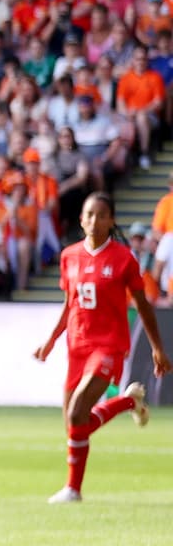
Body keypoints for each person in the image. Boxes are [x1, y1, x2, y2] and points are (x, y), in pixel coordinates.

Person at [33, 192, 170, 503]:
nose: (94, 220)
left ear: (111, 221)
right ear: (81, 219)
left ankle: (72, 490)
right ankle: (128, 402)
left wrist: (157, 347)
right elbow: (69, 304)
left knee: (78, 411)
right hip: (77, 346)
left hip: (108, 345)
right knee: (74, 423)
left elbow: (143, 305)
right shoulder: (69, 256)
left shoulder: (123, 258)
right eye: (89, 214)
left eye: (101, 215)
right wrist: (51, 340)